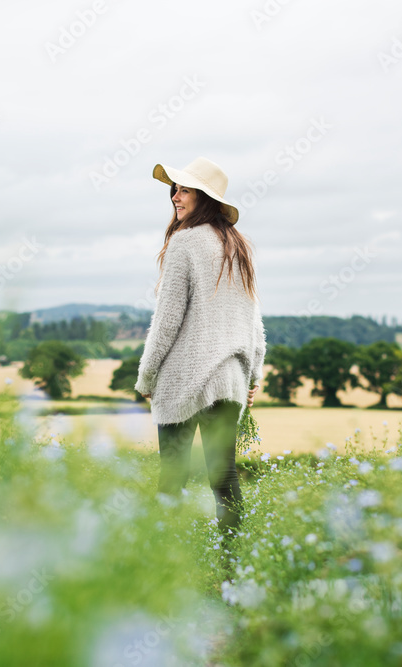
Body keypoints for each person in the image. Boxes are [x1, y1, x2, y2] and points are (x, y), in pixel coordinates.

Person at [134, 156, 266, 555]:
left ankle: (161, 563)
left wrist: (146, 377)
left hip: (184, 377)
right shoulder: (237, 247)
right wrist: (252, 378)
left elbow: (167, 320)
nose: (175, 196)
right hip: (228, 380)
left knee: (171, 478)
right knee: (224, 479)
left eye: (184, 189)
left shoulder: (185, 242)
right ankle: (233, 565)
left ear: (204, 198)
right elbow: (254, 323)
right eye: (174, 189)